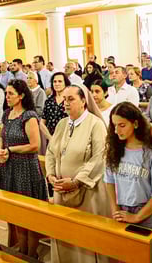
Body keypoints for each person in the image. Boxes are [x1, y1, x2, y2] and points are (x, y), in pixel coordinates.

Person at [45, 85, 109, 263]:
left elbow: (99, 158)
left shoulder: (95, 125)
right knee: (65, 234)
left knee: (85, 237)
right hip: (61, 191)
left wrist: (76, 182)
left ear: (83, 101)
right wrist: (51, 175)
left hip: (87, 192)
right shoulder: (62, 124)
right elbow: (51, 152)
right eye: (64, 99)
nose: (66, 103)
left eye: (71, 99)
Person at [104, 102, 152, 263]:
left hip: (148, 214)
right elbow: (109, 180)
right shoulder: (115, 150)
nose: (117, 131)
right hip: (123, 211)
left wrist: (137, 217)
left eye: (122, 125)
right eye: (114, 126)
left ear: (135, 123)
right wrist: (115, 208)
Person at [0, 80, 48, 259]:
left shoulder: (29, 116)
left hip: (26, 169)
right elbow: (2, 136)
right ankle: (22, 251)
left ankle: (31, 254)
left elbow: (35, 145)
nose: (7, 96)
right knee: (16, 213)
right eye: (6, 93)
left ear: (21, 96)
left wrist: (11, 150)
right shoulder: (7, 114)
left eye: (10, 93)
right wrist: (1, 151)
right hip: (10, 167)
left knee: (29, 215)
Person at [40, 72, 70, 141]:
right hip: (51, 139)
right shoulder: (49, 101)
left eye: (60, 81)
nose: (57, 84)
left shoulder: (70, 100)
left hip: (67, 139)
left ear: (65, 83)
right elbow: (42, 123)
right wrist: (50, 138)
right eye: (54, 81)